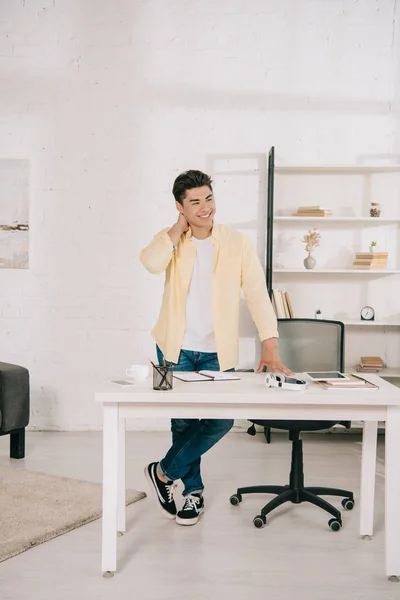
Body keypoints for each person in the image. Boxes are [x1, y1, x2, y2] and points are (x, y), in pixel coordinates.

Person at [140, 169, 292, 526]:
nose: (205, 208)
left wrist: (270, 343)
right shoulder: (172, 240)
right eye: (194, 202)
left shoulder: (236, 243)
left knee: (220, 420)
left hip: (215, 351)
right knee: (183, 425)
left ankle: (162, 473)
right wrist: (177, 229)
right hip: (174, 348)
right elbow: (149, 263)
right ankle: (192, 494)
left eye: (208, 198)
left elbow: (256, 293)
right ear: (180, 206)